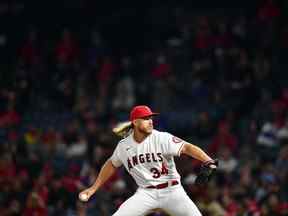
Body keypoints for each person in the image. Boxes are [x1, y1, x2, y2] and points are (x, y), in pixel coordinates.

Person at [79, 105, 217, 216]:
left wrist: (208, 160)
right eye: (146, 118)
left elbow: (187, 147)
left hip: (172, 191)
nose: (151, 121)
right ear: (135, 122)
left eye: (151, 117)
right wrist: (93, 188)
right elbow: (111, 164)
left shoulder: (161, 138)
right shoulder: (124, 146)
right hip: (146, 193)